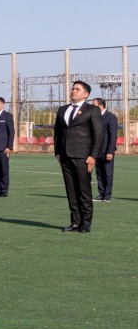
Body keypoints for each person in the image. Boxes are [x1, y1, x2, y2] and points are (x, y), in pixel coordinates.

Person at [54, 80, 103, 233]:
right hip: (65, 156)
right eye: (73, 88)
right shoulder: (62, 110)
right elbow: (58, 133)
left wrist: (93, 156)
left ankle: (86, 222)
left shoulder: (92, 110)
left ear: (86, 94)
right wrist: (57, 152)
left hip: (83, 156)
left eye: (78, 89)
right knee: (71, 190)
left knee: (83, 190)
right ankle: (75, 221)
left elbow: (98, 134)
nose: (74, 91)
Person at [94, 97, 118, 203]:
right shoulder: (94, 117)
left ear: (101, 106)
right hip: (96, 150)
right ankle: (101, 193)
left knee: (108, 173)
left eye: (94, 105)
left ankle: (107, 195)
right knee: (99, 173)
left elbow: (112, 136)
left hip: (106, 150)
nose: (91, 107)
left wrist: (110, 151)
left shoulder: (111, 117)